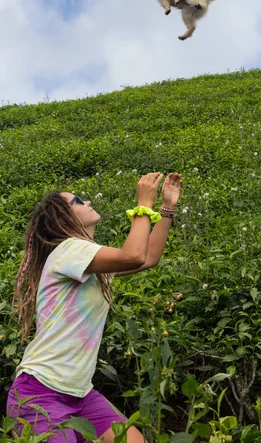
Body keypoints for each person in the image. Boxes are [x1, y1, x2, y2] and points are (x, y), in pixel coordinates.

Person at [7, 171, 182, 443]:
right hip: (39, 393)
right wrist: (143, 203)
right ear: (63, 218)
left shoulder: (88, 262)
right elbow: (133, 254)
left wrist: (167, 207)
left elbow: (146, 259)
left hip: (80, 393)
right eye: (77, 200)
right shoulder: (68, 250)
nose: (87, 201)